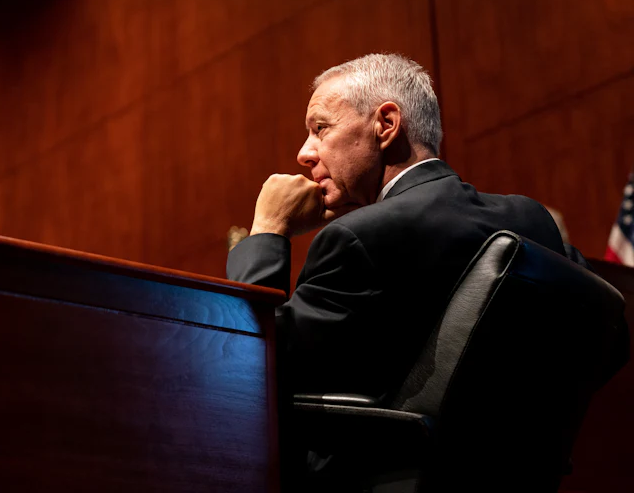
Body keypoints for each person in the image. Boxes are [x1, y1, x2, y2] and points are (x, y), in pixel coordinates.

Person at [226, 53, 577, 487]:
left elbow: (250, 363)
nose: (304, 153)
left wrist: (268, 228)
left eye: (321, 128)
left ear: (386, 124)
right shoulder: (532, 220)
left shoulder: (359, 238)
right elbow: (610, 340)